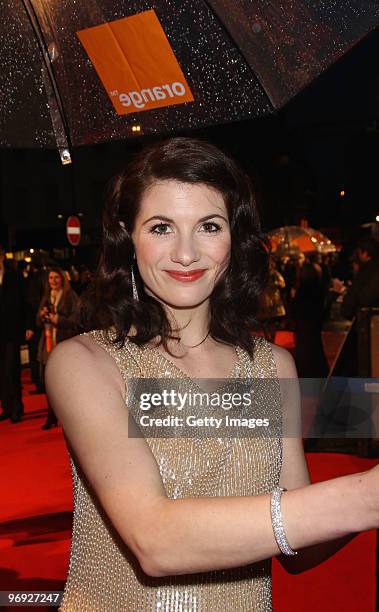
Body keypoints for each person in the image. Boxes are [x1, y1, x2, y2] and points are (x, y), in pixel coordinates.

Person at [45, 138, 379, 612]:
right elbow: (156, 541)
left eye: (208, 226)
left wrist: (367, 500)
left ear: (233, 239)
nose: (186, 253)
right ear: (128, 237)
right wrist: (363, 497)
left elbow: (298, 549)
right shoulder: (86, 364)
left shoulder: (269, 369)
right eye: (161, 227)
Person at [37, 267, 79, 429]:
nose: (53, 281)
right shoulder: (47, 296)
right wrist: (42, 316)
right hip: (48, 344)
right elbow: (37, 320)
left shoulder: (70, 296)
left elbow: (76, 320)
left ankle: (70, 415)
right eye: (51, 278)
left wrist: (58, 319)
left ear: (62, 279)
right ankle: (51, 415)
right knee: (49, 381)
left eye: (56, 278)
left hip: (64, 343)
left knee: (66, 382)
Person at [0, 245, 33, 423]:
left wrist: (28, 326)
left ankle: (17, 408)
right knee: (1, 373)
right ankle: (6, 406)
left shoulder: (14, 275)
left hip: (12, 330)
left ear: (2, 256)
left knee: (12, 370)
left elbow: (25, 301)